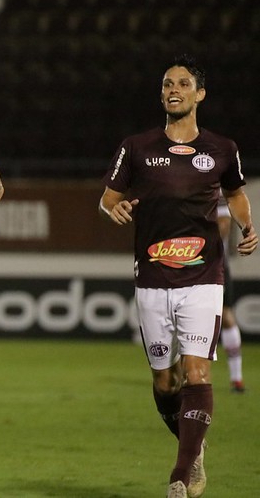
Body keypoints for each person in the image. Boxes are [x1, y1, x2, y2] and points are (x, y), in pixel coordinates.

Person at [98, 54, 257, 498]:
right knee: (165, 382)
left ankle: (181, 475)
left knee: (198, 373)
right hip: (152, 276)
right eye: (168, 84)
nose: (174, 90)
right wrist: (115, 208)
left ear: (199, 94)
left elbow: (236, 194)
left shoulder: (222, 148)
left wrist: (247, 226)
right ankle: (193, 444)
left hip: (203, 275)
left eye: (183, 84)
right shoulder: (136, 147)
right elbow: (107, 199)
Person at [216, 195, 245, 393]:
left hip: (213, 262)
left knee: (226, 315)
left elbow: (224, 225)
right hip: (182, 262)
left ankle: (236, 378)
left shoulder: (214, 186)